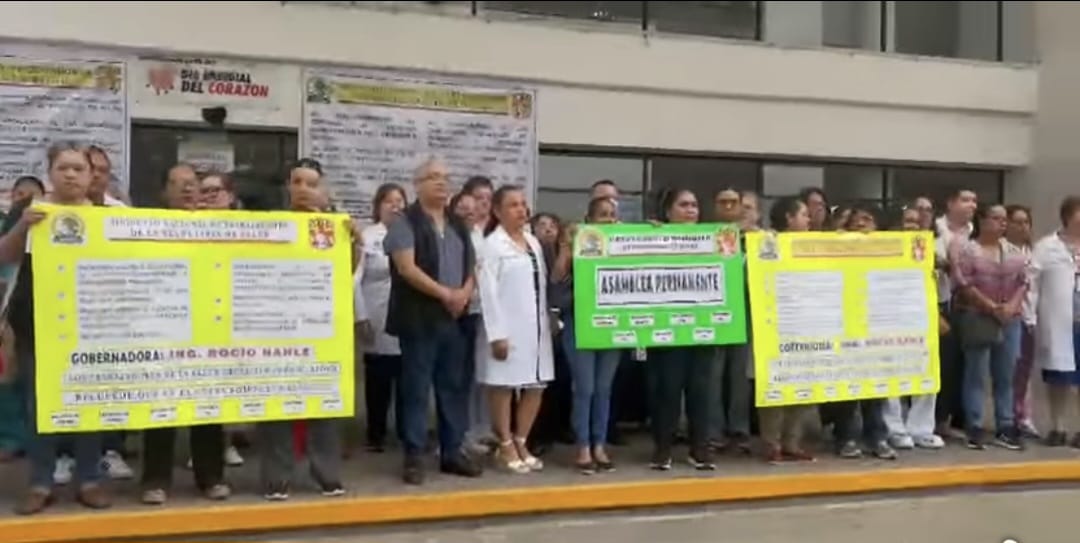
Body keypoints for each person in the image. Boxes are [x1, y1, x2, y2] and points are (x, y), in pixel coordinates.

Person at [3, 142, 111, 514]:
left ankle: (90, 480)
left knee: (89, 405)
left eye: (78, 168)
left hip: (91, 327)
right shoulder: (29, 210)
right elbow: (4, 255)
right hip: (37, 326)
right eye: (63, 167)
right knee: (40, 407)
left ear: (90, 175)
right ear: (50, 173)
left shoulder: (108, 216)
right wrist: (24, 226)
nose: (70, 175)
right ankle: (40, 483)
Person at [386, 158, 483, 485]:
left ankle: (452, 452)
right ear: (418, 185)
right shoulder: (405, 222)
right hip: (419, 319)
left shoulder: (457, 223)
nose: (441, 182)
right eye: (433, 177)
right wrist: (446, 294)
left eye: (445, 177)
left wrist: (464, 293)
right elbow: (407, 268)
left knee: (453, 387)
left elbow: (472, 265)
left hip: (454, 319)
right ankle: (414, 455)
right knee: (416, 388)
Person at [139, 166, 230, 505]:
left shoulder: (220, 225)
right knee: (161, 410)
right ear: (165, 192)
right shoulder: (147, 227)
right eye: (177, 184)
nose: (187, 190)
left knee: (207, 409)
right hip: (164, 328)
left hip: (209, 327)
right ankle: (155, 480)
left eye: (192, 184)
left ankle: (211, 478)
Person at [257, 158, 346, 500]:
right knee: (277, 405)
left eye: (311, 183)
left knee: (322, 403)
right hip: (277, 327)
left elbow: (350, 273)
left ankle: (327, 474)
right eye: (298, 182)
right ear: (288, 187)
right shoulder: (272, 225)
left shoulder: (336, 227)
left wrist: (350, 238)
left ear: (323, 189)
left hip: (321, 328)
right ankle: (277, 477)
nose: (304, 189)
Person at [476, 185, 555, 473]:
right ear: (497, 211)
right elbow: (487, 292)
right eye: (513, 205)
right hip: (506, 327)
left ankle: (522, 440)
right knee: (503, 385)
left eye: (523, 204)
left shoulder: (533, 242)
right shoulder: (492, 246)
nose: (521, 210)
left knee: (536, 384)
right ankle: (505, 443)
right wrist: (497, 334)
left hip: (536, 327)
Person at [647, 188, 717, 471]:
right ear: (668, 211)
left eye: (694, 205)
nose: (690, 210)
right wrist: (648, 235)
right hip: (668, 328)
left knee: (701, 391)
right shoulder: (655, 237)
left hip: (703, 327)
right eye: (684, 205)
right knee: (668, 390)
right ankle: (663, 448)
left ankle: (699, 448)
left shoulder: (712, 240)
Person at [552, 196, 621, 474]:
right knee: (585, 388)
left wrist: (651, 231)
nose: (608, 220)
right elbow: (557, 276)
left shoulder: (621, 244)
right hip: (579, 323)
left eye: (612, 214)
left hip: (613, 325)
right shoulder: (578, 242)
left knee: (604, 389)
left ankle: (599, 445)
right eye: (603, 214)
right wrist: (567, 247)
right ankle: (582, 446)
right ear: (590, 219)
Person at [952, 203, 1026, 451]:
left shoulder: (1014, 251)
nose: (1002, 223)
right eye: (996, 218)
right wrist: (992, 307)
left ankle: (1005, 425)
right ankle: (974, 425)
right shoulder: (969, 250)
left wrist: (1010, 307)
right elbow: (964, 284)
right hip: (978, 316)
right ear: (982, 221)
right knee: (977, 373)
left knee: (1006, 375)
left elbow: (1024, 282)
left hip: (1010, 319)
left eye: (1005, 219)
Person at [827, 205, 897, 460]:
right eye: (856, 220)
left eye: (867, 219)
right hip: (844, 323)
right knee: (848, 385)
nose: (861, 223)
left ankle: (877, 437)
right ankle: (845, 436)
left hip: (876, 324)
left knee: (876, 387)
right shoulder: (837, 247)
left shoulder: (889, 250)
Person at [881, 207, 947, 451]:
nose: (912, 226)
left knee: (926, 374)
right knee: (892, 378)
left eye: (917, 222)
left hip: (921, 319)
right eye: (907, 221)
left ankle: (921, 429)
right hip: (889, 321)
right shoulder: (883, 249)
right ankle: (895, 429)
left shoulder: (927, 251)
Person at [759, 196, 816, 463]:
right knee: (776, 386)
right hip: (776, 325)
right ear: (789, 218)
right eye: (803, 215)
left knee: (803, 385)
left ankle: (792, 442)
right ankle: (772, 443)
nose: (808, 219)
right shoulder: (768, 243)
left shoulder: (814, 245)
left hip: (806, 324)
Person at [357, 183, 408, 452]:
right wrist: (360, 316)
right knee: (378, 379)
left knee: (406, 379)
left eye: (399, 201)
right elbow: (354, 280)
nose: (395, 206)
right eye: (389, 201)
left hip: (406, 318)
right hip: (376, 315)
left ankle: (406, 433)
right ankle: (375, 434)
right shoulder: (367, 236)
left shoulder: (411, 235)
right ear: (378, 207)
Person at [1029, 197, 1080, 447]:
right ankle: (1057, 427)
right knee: (1059, 377)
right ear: (1068, 216)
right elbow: (1032, 284)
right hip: (1058, 322)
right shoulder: (1046, 247)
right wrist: (1030, 316)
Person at [709, 187, 752, 454]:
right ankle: (713, 432)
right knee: (712, 376)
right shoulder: (703, 236)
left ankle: (739, 430)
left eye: (733, 202)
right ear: (714, 206)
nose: (727, 207)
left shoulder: (754, 238)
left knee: (739, 377)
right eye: (722, 202)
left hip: (743, 312)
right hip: (712, 314)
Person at [458, 176, 497, 456]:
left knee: (486, 373)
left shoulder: (496, 232)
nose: (484, 204)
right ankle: (466, 431)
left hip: (491, 313)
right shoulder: (463, 232)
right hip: (467, 310)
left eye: (488, 199)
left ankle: (485, 427)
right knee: (466, 373)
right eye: (479, 198)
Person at [935, 188, 977, 439]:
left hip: (969, 307)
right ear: (950, 203)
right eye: (965, 200)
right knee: (944, 366)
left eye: (974, 201)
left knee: (965, 365)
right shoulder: (935, 231)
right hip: (941, 304)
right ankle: (939, 420)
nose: (971, 205)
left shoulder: (976, 233)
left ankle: (961, 419)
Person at [1002, 204, 1039, 440]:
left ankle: (1024, 417)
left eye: (1026, 222)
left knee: (1025, 371)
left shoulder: (1035, 252)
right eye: (1017, 222)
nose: (1022, 226)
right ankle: (1009, 416)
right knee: (1009, 370)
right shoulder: (1003, 250)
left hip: (1031, 317)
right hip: (1010, 316)